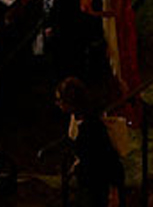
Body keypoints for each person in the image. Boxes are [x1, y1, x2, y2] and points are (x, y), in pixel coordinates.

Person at [56, 76, 125, 207]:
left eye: (60, 100)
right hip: (90, 183)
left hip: (99, 184)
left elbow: (108, 157)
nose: (58, 104)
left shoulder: (91, 126)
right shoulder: (77, 119)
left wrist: (113, 191)